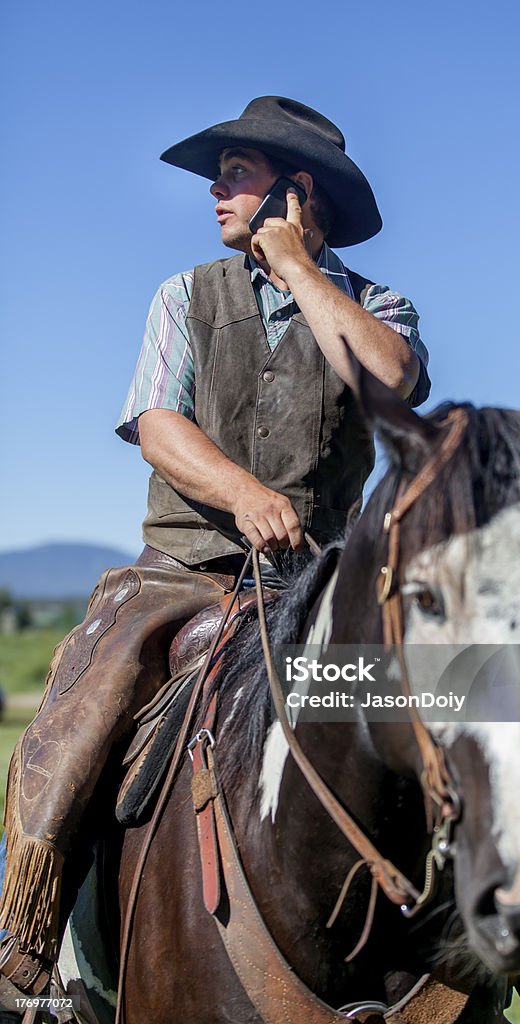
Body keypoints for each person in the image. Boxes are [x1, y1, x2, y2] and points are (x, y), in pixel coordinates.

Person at [0, 95, 430, 1012]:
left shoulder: (377, 306)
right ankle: (23, 949)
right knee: (78, 712)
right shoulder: (183, 294)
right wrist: (242, 493)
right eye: (218, 172)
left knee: (439, 724)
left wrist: (298, 268)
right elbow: (156, 422)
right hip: (181, 574)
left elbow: (392, 386)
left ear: (293, 192)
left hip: (317, 587)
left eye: (236, 172)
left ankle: (466, 949)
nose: (215, 189)